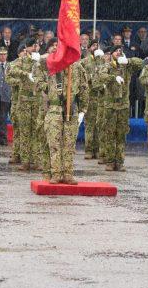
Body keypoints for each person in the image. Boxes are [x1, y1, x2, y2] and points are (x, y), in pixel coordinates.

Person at [40, 42, 89, 184]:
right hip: (54, 110)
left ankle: (68, 173)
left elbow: (84, 89)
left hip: (71, 110)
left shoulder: (78, 67)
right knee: (54, 143)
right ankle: (56, 173)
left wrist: (83, 110)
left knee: (69, 144)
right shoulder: (51, 64)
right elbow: (37, 69)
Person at [97, 45, 144, 171]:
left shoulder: (126, 67)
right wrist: (113, 78)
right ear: (111, 53)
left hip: (123, 106)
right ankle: (110, 161)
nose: (119, 53)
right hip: (110, 105)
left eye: (120, 51)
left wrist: (128, 61)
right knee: (109, 134)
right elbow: (101, 76)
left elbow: (141, 63)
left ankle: (120, 161)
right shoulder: (107, 66)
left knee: (121, 134)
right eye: (116, 51)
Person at [7, 38, 47, 172]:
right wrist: (25, 74)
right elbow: (11, 70)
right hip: (23, 101)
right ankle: (25, 161)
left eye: (37, 45)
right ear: (27, 48)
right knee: (24, 131)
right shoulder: (21, 61)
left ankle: (36, 160)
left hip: (37, 100)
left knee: (37, 131)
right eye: (33, 46)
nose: (36, 48)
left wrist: (38, 63)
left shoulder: (41, 61)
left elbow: (50, 72)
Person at [81, 40, 103, 160]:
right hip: (89, 97)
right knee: (90, 125)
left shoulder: (103, 61)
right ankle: (89, 149)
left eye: (97, 46)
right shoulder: (84, 62)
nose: (96, 47)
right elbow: (79, 75)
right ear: (89, 48)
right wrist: (90, 77)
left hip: (101, 97)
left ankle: (98, 149)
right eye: (94, 45)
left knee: (99, 124)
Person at [5, 45, 27, 164]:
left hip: (30, 101)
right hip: (17, 101)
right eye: (22, 52)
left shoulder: (33, 64)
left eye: (26, 51)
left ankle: (28, 155)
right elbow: (8, 79)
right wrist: (20, 82)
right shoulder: (13, 64)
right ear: (19, 53)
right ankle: (16, 153)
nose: (25, 53)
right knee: (17, 129)